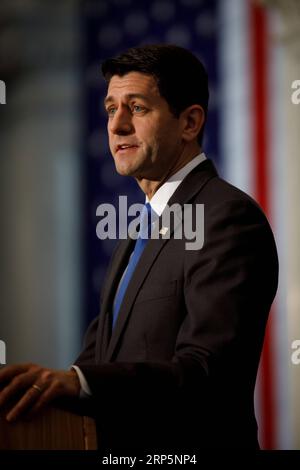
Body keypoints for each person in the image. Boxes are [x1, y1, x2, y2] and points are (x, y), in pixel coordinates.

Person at [0, 44, 278, 450]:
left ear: (189, 122)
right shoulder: (137, 231)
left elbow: (206, 372)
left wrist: (78, 383)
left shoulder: (227, 218)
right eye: (111, 109)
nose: (117, 126)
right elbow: (97, 363)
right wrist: (46, 392)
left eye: (138, 108)